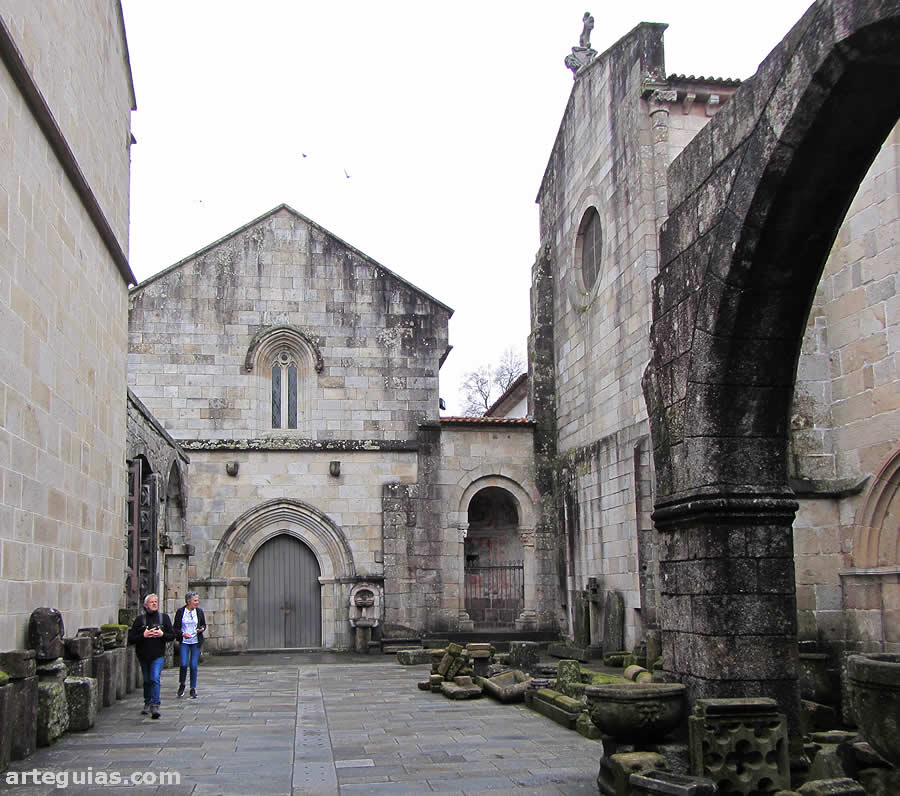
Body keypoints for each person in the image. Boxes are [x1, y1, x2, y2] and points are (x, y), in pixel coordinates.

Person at [127, 593, 175, 719]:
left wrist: (161, 634)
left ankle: (155, 704)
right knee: (147, 680)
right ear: (145, 605)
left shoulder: (163, 618)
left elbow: (172, 636)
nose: (154, 604)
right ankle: (147, 702)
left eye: (156, 602)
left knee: (154, 678)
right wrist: (144, 635)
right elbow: (131, 639)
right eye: (151, 602)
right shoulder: (139, 620)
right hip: (143, 655)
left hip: (158, 654)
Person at [173, 592, 207, 699]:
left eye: (197, 600)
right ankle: (182, 684)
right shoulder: (181, 612)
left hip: (196, 641)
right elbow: (176, 628)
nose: (197, 603)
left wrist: (201, 629)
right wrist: (182, 634)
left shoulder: (199, 612)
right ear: (189, 601)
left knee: (193, 665)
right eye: (195, 600)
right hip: (185, 641)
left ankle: (193, 688)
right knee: (183, 664)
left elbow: (203, 624)